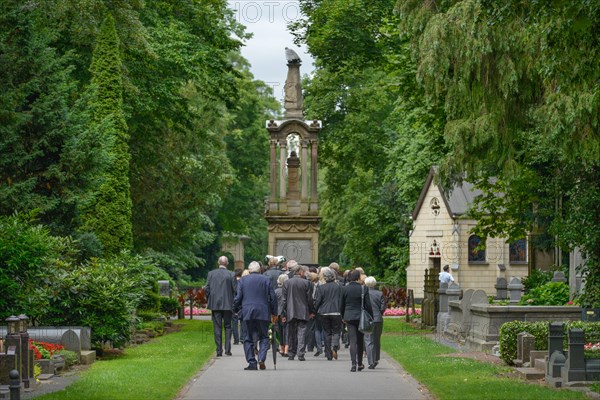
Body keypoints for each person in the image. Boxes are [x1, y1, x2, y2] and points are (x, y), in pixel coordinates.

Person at [232, 261, 277, 370]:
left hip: (247, 311)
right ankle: (261, 358)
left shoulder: (243, 280)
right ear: (260, 270)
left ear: (249, 270)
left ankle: (252, 362)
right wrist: (274, 312)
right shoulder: (266, 280)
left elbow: (238, 297)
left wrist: (234, 308)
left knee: (248, 338)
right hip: (263, 311)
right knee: (264, 336)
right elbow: (272, 297)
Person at [340, 269, 373, 372]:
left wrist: (342, 316)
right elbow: (368, 304)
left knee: (352, 341)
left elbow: (341, 304)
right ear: (359, 277)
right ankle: (359, 363)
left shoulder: (344, 289)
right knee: (360, 340)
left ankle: (353, 364)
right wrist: (371, 316)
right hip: (361, 316)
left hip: (349, 316)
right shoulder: (364, 289)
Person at [282, 261, 314, 361]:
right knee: (302, 332)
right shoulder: (307, 283)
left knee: (291, 333)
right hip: (303, 311)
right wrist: (311, 311)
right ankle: (300, 353)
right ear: (300, 272)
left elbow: (284, 300)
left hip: (290, 311)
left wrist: (283, 313)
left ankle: (291, 353)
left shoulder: (287, 283)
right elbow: (310, 299)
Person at [205, 255, 236, 357]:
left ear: (218, 263)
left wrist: (209, 299)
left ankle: (219, 350)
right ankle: (227, 349)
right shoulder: (231, 274)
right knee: (228, 326)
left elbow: (207, 289)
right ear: (227, 263)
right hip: (228, 304)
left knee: (217, 327)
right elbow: (235, 290)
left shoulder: (211, 274)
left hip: (215, 304)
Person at [314, 267, 342, 361]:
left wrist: (315, 311)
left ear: (325, 278)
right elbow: (342, 300)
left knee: (326, 332)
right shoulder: (339, 287)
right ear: (333, 277)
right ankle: (334, 347)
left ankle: (328, 353)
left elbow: (318, 301)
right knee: (336, 331)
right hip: (336, 311)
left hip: (324, 312)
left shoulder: (321, 288)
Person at [363, 276, 386, 369]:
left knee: (369, 340)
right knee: (377, 339)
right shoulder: (379, 293)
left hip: (367, 319)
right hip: (378, 319)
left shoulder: (363, 294)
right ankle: (376, 359)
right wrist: (379, 314)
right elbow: (383, 307)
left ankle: (371, 361)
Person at [275, 273, 289, 356]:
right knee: (287, 331)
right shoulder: (288, 291)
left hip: (277, 313)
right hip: (286, 313)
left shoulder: (276, 291)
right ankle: (286, 349)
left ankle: (281, 348)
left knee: (278, 331)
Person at [232, 267, 244, 345]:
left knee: (234, 322)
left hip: (233, 302)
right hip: (241, 302)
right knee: (242, 321)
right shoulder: (243, 281)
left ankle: (236, 339)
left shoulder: (232, 281)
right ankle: (242, 338)